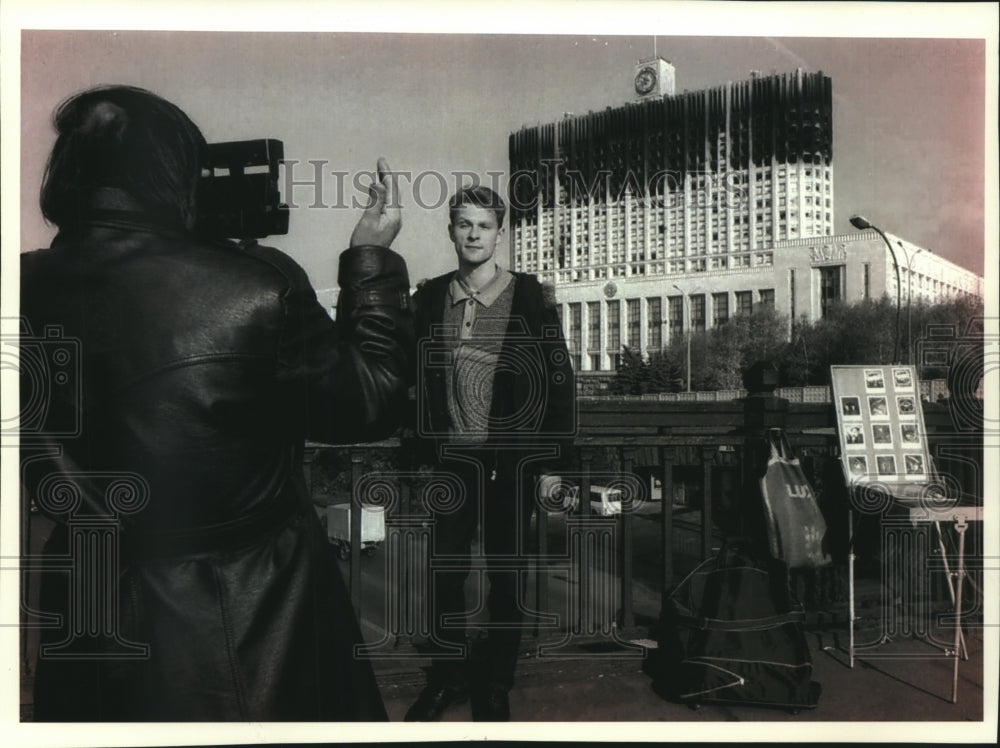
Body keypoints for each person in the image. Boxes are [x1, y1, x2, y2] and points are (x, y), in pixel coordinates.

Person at [20, 85, 413, 721]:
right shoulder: (257, 284)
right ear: (179, 173)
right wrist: (372, 261)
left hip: (87, 619)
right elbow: (370, 403)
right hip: (251, 623)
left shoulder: (21, 287)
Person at [406, 186, 575, 721]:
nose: (473, 234)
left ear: (500, 232)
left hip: (511, 459)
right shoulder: (432, 296)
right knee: (445, 570)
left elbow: (557, 380)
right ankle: (450, 675)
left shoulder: (527, 294)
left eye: (483, 225)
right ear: (451, 231)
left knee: (506, 573)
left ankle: (496, 679)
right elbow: (410, 372)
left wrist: (550, 465)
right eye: (463, 224)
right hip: (453, 458)